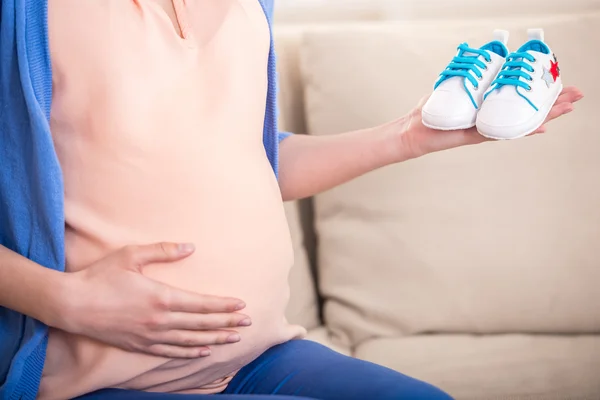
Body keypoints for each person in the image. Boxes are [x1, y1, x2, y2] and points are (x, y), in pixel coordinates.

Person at [0, 0, 582, 399]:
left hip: (258, 357)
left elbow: (251, 157)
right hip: (93, 381)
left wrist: (409, 137)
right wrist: (65, 301)